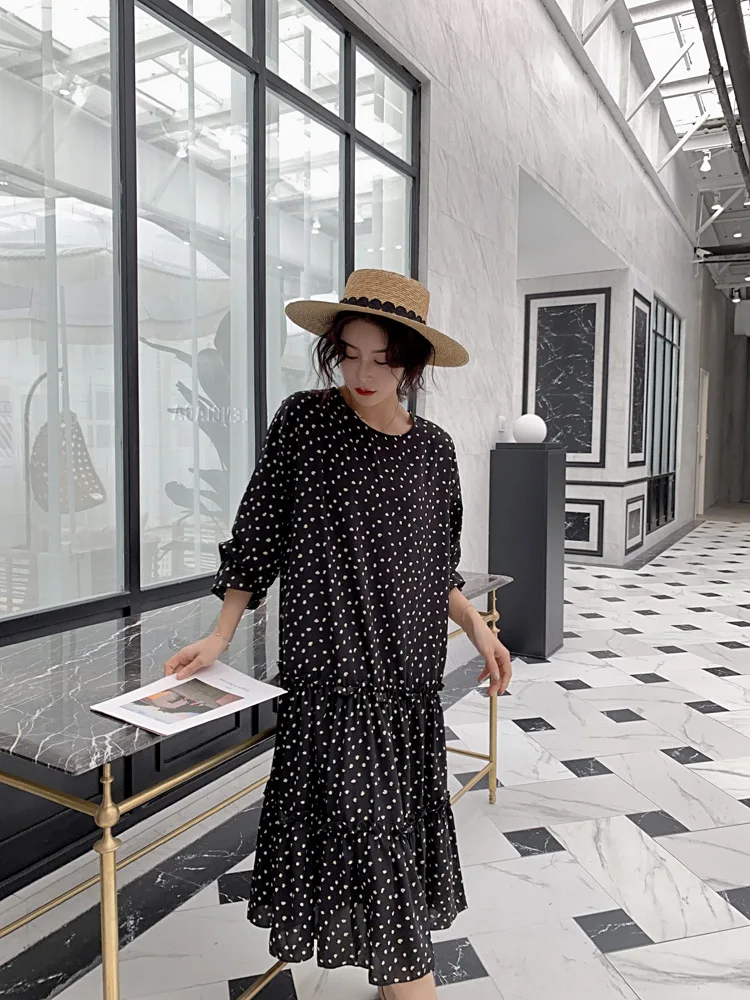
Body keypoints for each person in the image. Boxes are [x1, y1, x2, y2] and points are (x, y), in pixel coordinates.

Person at [165, 270, 512, 999]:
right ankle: (410, 984)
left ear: (411, 364)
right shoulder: (306, 422)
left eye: (383, 358)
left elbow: (435, 568)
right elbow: (259, 532)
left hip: (407, 684)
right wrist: (222, 634)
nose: (363, 373)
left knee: (387, 838)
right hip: (331, 680)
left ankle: (394, 978)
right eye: (349, 353)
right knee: (371, 834)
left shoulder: (435, 450)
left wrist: (479, 630)